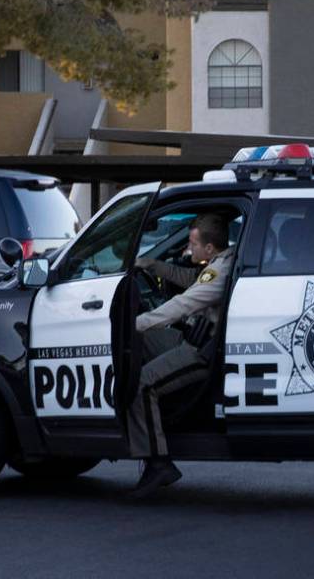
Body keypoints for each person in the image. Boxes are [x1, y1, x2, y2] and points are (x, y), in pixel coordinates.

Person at [127, 213, 234, 498]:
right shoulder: (218, 263)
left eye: (192, 243)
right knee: (135, 341)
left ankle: (157, 462)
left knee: (141, 384)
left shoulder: (220, 273)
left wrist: (140, 321)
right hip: (188, 338)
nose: (189, 249)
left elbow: (184, 303)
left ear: (209, 248)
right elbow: (191, 279)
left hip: (200, 353)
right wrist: (153, 264)